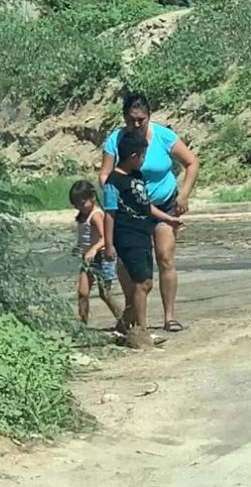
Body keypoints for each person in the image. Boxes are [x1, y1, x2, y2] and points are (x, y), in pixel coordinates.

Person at [99, 92, 199, 333]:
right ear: (124, 117)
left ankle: (169, 316)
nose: (136, 124)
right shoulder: (116, 140)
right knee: (129, 264)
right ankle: (132, 309)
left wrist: (184, 194)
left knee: (165, 257)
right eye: (131, 119)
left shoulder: (164, 136)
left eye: (141, 119)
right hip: (130, 212)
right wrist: (117, 192)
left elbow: (192, 163)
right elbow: (104, 174)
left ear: (149, 116)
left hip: (164, 205)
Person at [103, 131, 184, 348]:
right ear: (131, 156)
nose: (144, 160)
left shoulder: (137, 177)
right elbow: (109, 213)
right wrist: (109, 244)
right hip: (126, 235)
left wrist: (168, 219)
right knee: (142, 283)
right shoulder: (114, 181)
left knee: (145, 284)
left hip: (142, 231)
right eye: (142, 156)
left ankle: (124, 328)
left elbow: (145, 206)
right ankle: (142, 332)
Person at [69, 180, 122, 326]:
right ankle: (83, 323)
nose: (80, 207)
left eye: (82, 203)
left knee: (105, 293)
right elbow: (85, 236)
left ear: (92, 198)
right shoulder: (83, 216)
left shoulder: (96, 215)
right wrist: (79, 247)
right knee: (82, 293)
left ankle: (123, 320)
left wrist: (94, 249)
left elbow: (105, 238)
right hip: (87, 258)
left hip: (102, 257)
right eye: (76, 205)